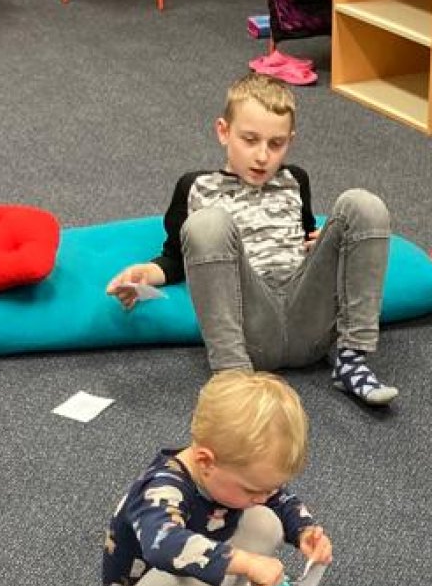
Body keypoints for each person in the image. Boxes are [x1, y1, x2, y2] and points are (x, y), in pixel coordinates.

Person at [104, 72, 399, 407]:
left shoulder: (295, 179)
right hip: (250, 333)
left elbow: (303, 241)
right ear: (223, 131)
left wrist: (325, 244)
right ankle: (233, 379)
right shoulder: (194, 187)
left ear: (290, 140)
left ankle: (352, 360)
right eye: (250, 140)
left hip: (310, 326)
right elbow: (176, 258)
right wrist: (144, 274)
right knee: (208, 224)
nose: (262, 156)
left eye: (276, 144)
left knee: (362, 204)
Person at [102, 371, 333, 586]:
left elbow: (278, 499)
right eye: (252, 489)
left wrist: (304, 531)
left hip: (195, 563)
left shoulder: (228, 471)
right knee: (208, 569)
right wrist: (244, 563)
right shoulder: (161, 488)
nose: (264, 496)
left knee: (266, 522)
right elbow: (166, 547)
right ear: (206, 462)